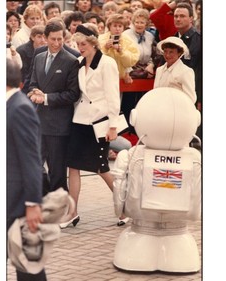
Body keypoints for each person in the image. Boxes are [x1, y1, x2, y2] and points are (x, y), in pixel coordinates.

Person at [60, 23, 129, 228]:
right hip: (79, 121)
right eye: (78, 44)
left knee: (101, 167)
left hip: (100, 123)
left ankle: (124, 209)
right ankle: (72, 212)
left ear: (93, 44)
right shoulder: (79, 62)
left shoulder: (107, 63)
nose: (80, 47)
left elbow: (112, 96)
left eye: (84, 44)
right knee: (72, 166)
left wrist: (113, 126)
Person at [27, 20, 80, 194]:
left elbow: (73, 94)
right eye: (53, 39)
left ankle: (60, 208)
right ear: (45, 38)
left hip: (59, 125)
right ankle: (43, 199)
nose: (57, 43)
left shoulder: (71, 61)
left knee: (57, 171)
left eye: (60, 39)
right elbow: (32, 82)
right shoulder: (39, 56)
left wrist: (46, 98)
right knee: (33, 164)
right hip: (39, 121)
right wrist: (33, 92)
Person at [6, 58, 46, 281]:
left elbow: (31, 159)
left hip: (18, 203)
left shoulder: (20, 108)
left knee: (29, 266)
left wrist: (33, 204)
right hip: (7, 201)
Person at [173, 2, 202, 142]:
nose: (178, 19)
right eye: (176, 16)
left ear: (191, 18)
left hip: (193, 92)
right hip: (176, 91)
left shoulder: (199, 39)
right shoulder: (174, 38)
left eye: (182, 16)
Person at [98, 14, 140, 84]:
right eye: (115, 26)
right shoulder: (101, 39)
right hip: (103, 77)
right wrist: (105, 48)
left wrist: (121, 52)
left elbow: (132, 60)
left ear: (123, 27)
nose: (117, 29)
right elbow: (96, 58)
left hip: (122, 79)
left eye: (120, 26)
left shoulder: (128, 40)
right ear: (109, 27)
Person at [154, 36, 196, 103]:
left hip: (177, 110)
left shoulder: (186, 71)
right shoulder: (159, 70)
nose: (167, 55)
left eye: (171, 52)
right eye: (165, 51)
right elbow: (155, 92)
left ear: (179, 53)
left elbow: (191, 98)